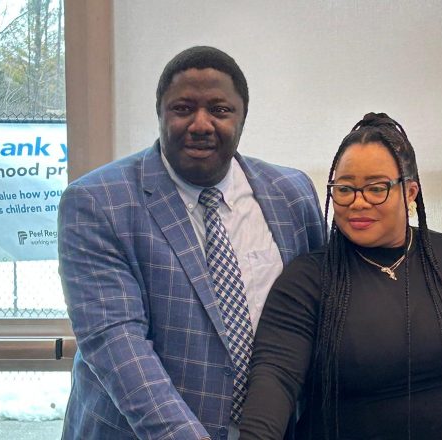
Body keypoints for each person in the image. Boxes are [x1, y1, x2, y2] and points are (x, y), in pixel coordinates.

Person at [58, 46, 325, 440]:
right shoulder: (98, 202)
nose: (201, 124)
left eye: (220, 110)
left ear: (242, 117)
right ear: (160, 113)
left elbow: (316, 317)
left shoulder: (292, 193)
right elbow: (117, 344)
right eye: (183, 108)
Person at [239, 113, 442, 440]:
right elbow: (276, 378)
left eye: (376, 188)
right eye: (345, 189)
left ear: (410, 192)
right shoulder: (307, 281)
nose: (358, 202)